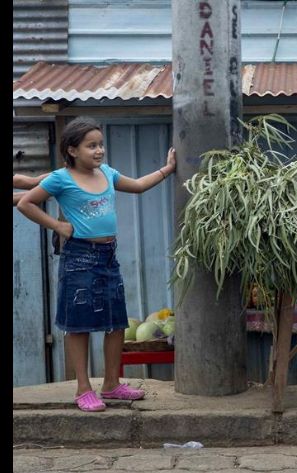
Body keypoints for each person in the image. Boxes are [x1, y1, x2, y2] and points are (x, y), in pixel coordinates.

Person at [17, 117, 177, 412]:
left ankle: (112, 384)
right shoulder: (60, 178)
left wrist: (166, 170)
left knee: (116, 322)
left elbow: (139, 186)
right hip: (79, 257)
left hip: (108, 257)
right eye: (92, 146)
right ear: (72, 150)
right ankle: (82, 389)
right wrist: (58, 226)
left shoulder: (106, 173)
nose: (99, 151)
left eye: (100, 144)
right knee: (78, 325)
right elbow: (27, 203)